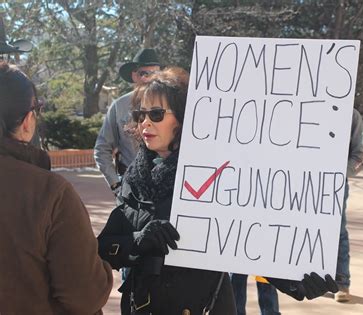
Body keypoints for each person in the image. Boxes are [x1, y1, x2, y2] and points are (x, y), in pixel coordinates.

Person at [97, 67, 339, 315]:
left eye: (156, 114)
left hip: (204, 305)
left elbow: (249, 241)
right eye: (140, 114)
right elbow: (104, 247)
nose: (145, 122)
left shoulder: (218, 175)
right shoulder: (135, 178)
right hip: (143, 305)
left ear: (183, 118)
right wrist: (139, 241)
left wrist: (298, 281)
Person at [0, 62, 113, 313]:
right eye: (37, 108)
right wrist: (103, 264)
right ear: (28, 120)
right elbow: (86, 295)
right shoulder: (50, 193)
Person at [94, 48, 161, 197]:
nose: (150, 79)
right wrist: (116, 184)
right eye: (145, 73)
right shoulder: (119, 107)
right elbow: (102, 148)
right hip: (131, 188)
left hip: (166, 187)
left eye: (156, 73)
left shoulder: (172, 105)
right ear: (134, 76)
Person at [335, 108, 363, 302]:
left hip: (335, 185)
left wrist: (337, 173)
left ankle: (341, 283)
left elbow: (359, 155)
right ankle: (313, 280)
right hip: (302, 183)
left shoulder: (352, 115)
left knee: (337, 231)